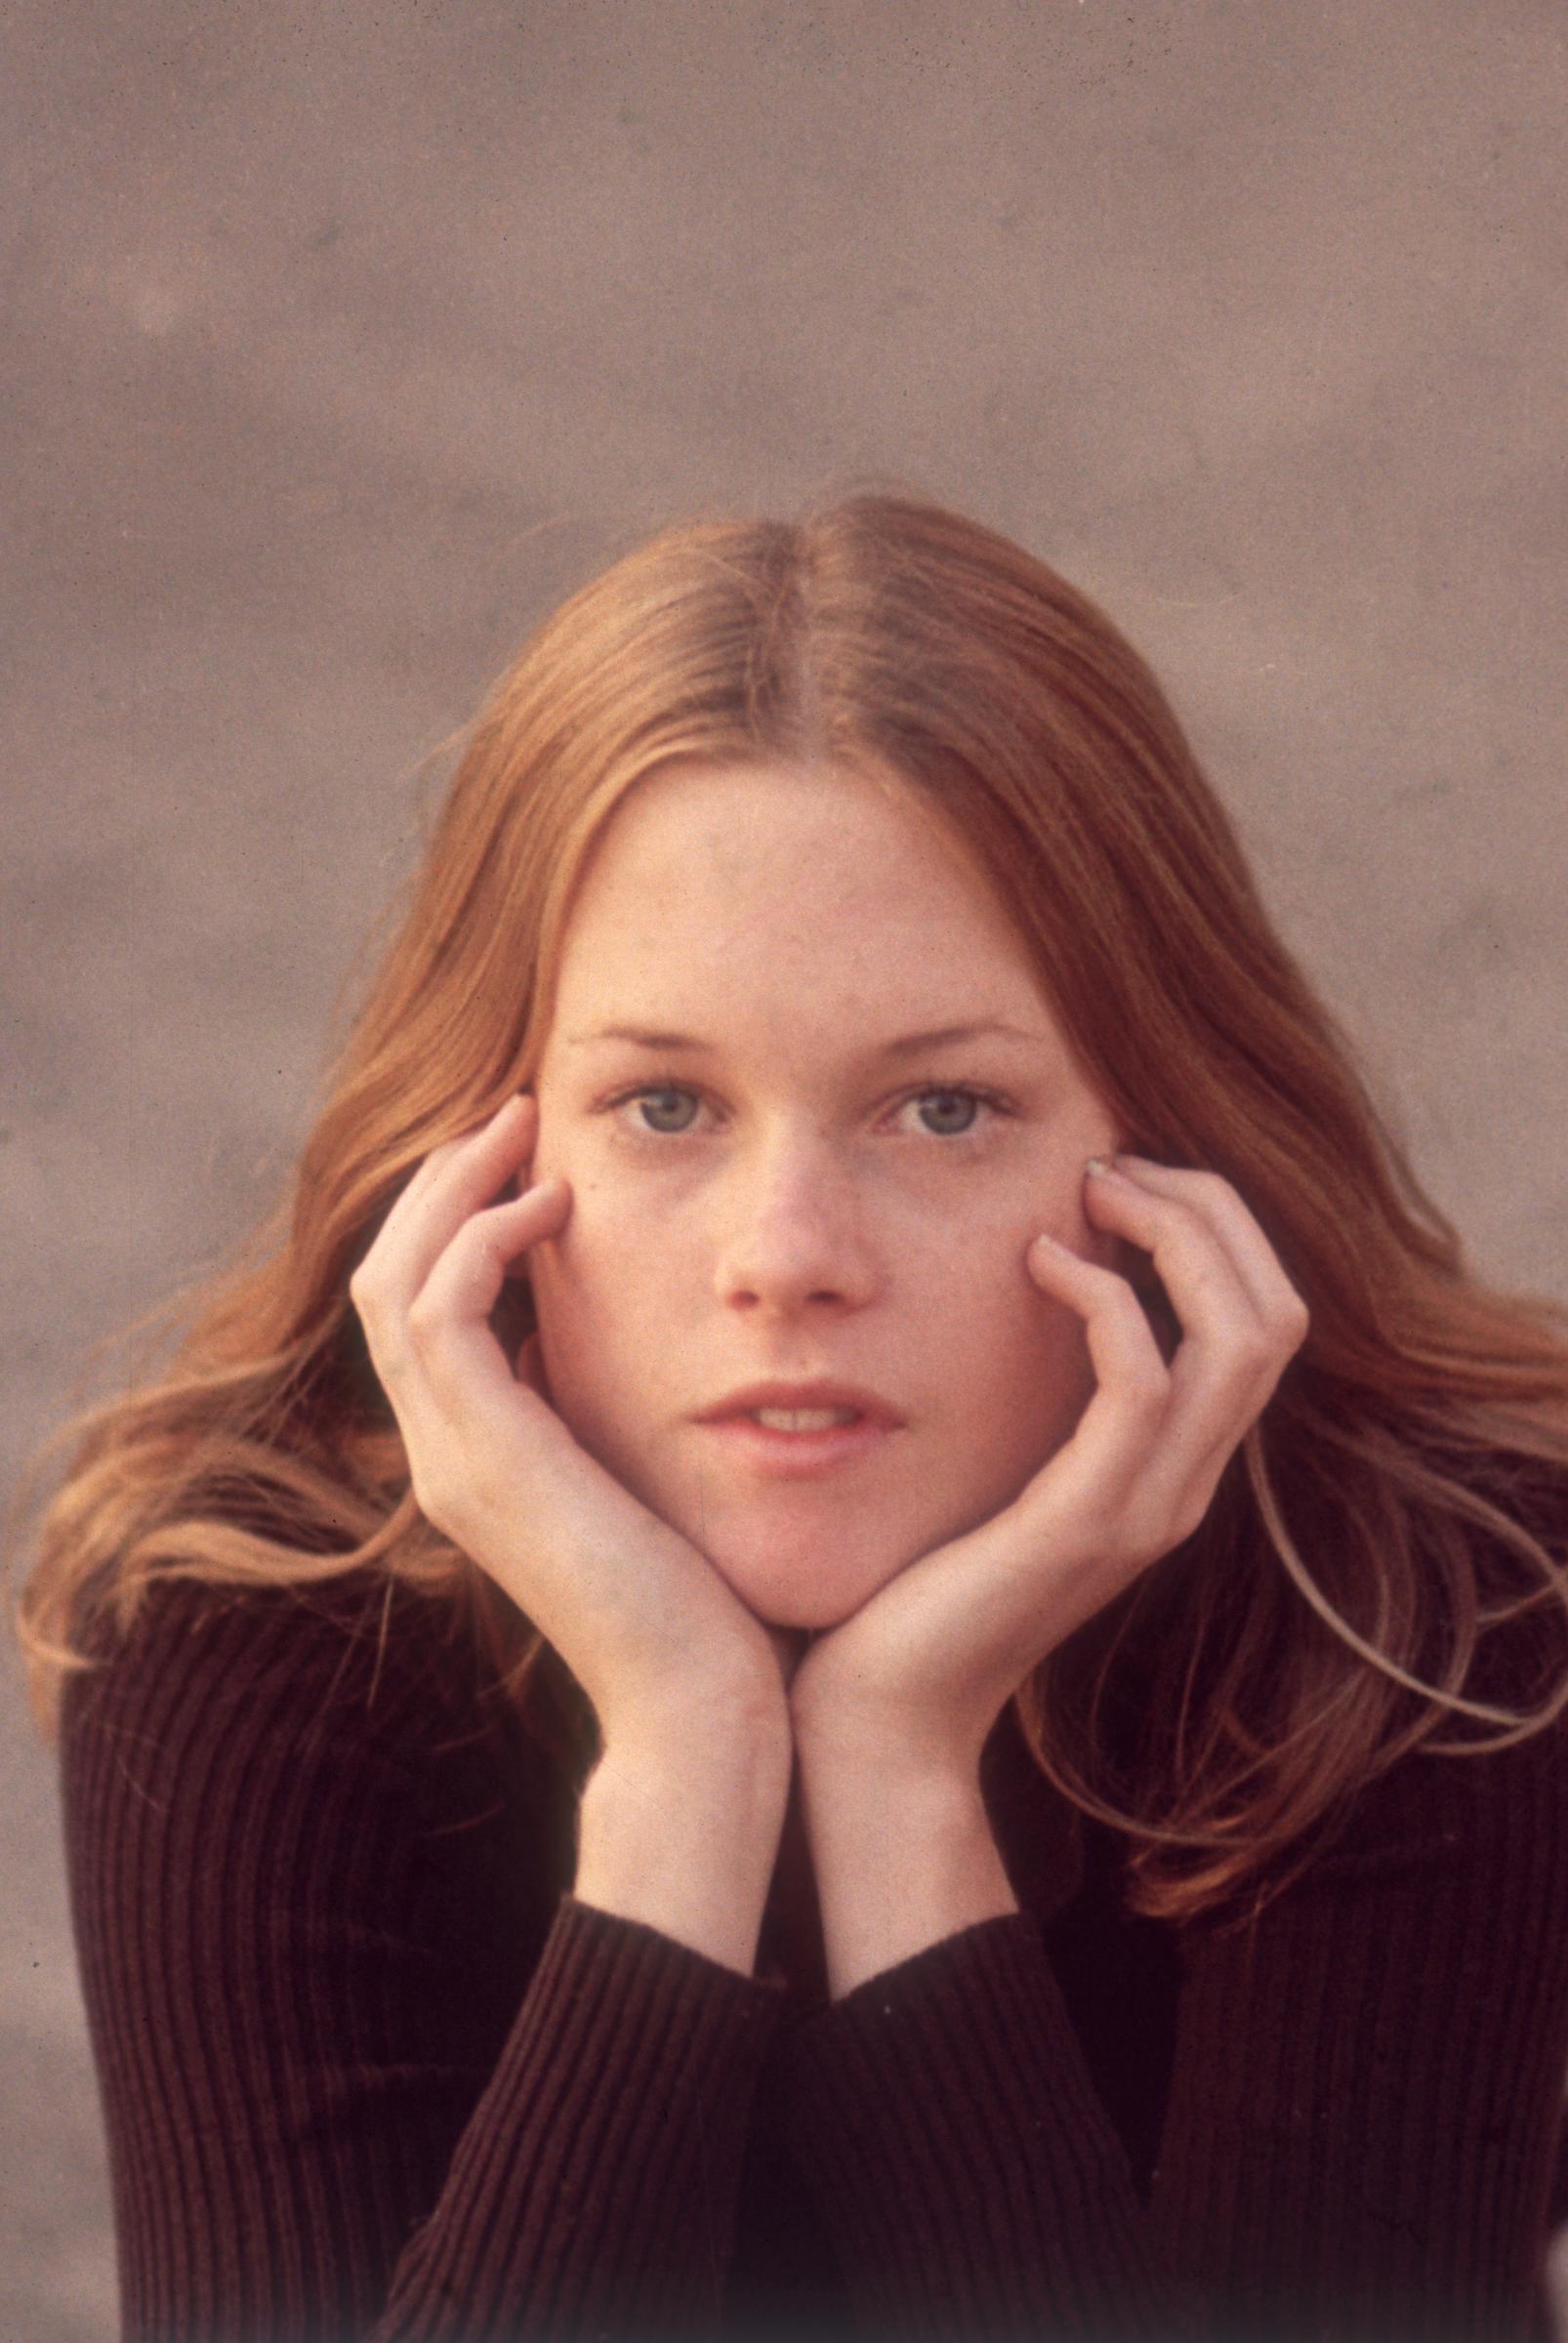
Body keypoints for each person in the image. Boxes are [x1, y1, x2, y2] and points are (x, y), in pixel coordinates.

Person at [13, 487, 1568, 2343]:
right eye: (664, 1107)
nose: (790, 1259)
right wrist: (680, 1767)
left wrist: (900, 1779)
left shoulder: (1436, 1609)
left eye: (941, 1112)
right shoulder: (252, 1614)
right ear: (481, 1156)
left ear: (1164, 1143)